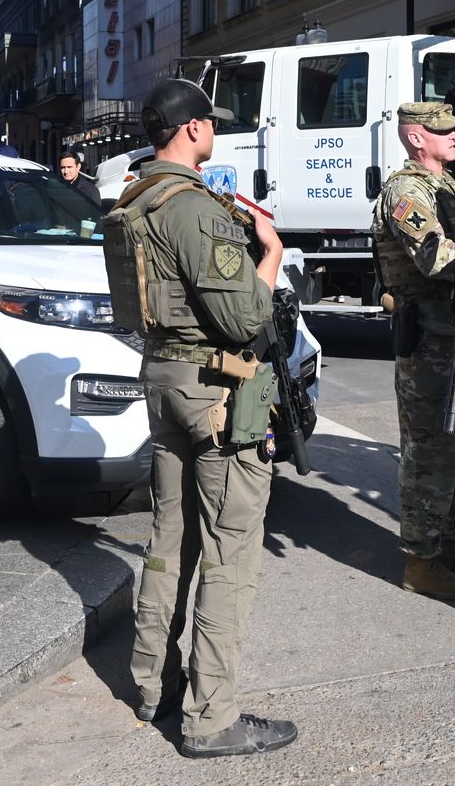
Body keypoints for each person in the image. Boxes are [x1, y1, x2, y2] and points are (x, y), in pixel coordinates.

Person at [109, 78, 297, 759]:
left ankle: (152, 686)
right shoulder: (192, 207)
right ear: (191, 129)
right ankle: (211, 716)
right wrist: (269, 254)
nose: (213, 130)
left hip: (164, 379)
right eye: (209, 122)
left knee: (170, 537)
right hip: (214, 387)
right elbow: (245, 315)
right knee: (230, 552)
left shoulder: (135, 197)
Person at [372, 101, 455, 600]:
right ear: (415, 138)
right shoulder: (406, 191)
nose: (453, 136)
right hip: (428, 338)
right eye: (441, 130)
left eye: (453, 128)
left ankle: (445, 541)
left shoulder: (448, 186)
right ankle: (420, 562)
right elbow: (435, 254)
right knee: (430, 448)